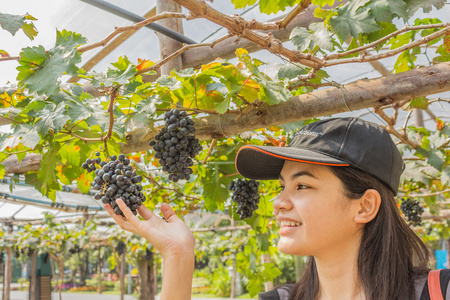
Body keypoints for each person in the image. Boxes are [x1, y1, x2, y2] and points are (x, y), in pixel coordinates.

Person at [105, 117, 450, 300]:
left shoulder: (440, 292)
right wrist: (178, 256)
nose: (278, 202)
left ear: (365, 206)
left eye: (302, 185)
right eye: (281, 186)